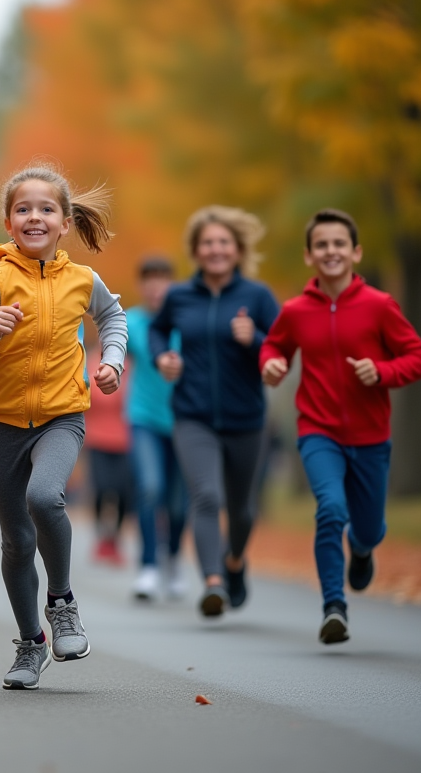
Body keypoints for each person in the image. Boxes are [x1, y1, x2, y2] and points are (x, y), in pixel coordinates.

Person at [0, 165, 127, 691]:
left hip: (62, 415)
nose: (35, 217)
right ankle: (30, 644)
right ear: (9, 222)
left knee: (46, 497)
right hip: (1, 422)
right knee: (15, 543)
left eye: (46, 209)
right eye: (24, 209)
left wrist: (111, 360)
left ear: (64, 222)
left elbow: (112, 318)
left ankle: (63, 602)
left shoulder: (82, 280)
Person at [260, 209, 421, 644]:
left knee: (369, 527)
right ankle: (334, 606)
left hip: (372, 436)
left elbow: (418, 357)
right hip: (319, 432)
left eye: (339, 244)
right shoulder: (296, 310)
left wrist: (383, 371)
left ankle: (365, 547)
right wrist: (273, 364)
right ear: (309, 255)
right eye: (322, 245)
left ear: (355, 252)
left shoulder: (380, 306)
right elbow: (274, 346)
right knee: (331, 508)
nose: (330, 251)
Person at [150, 205, 280, 618]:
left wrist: (255, 338)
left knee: (242, 509)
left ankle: (234, 562)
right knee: (205, 495)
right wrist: (163, 358)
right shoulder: (179, 296)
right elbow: (156, 331)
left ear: (238, 250)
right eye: (207, 243)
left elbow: (281, 350)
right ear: (196, 250)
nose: (216, 249)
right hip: (193, 415)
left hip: (247, 418)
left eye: (224, 242)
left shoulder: (257, 297)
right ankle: (213, 582)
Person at [125, 257, 188, 601]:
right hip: (143, 418)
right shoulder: (132, 321)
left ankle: (174, 559)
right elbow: (115, 354)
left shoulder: (186, 320)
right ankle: (148, 565)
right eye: (149, 280)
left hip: (184, 420)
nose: (155, 287)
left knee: (179, 504)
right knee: (150, 488)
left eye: (162, 280)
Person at [83, 346, 131, 568]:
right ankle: (101, 535)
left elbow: (132, 398)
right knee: (102, 488)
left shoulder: (129, 365)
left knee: (122, 492)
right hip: (97, 439)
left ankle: (115, 540)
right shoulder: (91, 360)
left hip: (125, 441)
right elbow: (87, 394)